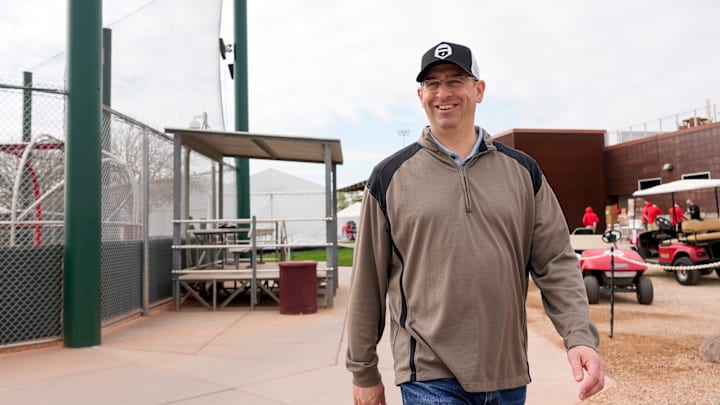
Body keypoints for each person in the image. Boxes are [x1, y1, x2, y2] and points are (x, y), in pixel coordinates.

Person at [346, 41, 604, 405]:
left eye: (455, 80)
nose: (443, 93)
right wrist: (364, 371)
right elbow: (367, 283)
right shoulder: (390, 177)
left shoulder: (523, 172)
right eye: (432, 84)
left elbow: (555, 262)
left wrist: (579, 336)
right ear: (420, 95)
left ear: (478, 90)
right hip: (428, 375)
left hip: (508, 372)